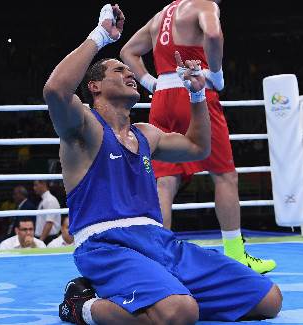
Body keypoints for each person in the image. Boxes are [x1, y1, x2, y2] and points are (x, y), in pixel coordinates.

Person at [43, 4, 281, 324]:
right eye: (119, 70)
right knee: (180, 312)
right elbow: (55, 90)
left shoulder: (146, 135)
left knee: (269, 300)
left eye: (130, 71)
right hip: (108, 247)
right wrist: (100, 36)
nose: (131, 73)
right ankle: (82, 306)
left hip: (159, 242)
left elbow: (198, 147)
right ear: (94, 87)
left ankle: (163, 294)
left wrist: (197, 95)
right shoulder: (83, 130)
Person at [120, 0, 275, 274]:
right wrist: (217, 74)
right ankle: (237, 255)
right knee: (224, 175)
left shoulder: (160, 16)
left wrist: (151, 83)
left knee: (165, 181)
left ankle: (157, 258)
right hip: (194, 90)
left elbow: (127, 51)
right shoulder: (203, 6)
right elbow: (214, 34)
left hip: (163, 98)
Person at [33, 180, 62, 244]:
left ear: (43, 184)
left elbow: (49, 222)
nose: (34, 188)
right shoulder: (44, 201)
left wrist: (40, 241)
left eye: (36, 185)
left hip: (48, 238)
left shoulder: (50, 200)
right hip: (44, 238)